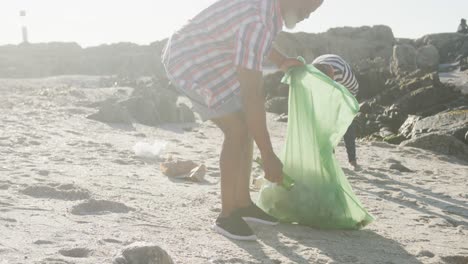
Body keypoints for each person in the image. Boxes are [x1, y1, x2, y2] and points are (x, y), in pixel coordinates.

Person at [162, 0, 324, 241]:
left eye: (312, 12)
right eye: (305, 10)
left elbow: (259, 42)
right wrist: (268, 155)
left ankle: (242, 203)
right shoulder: (256, 20)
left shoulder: (269, 12)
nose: (307, 16)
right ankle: (227, 215)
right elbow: (251, 96)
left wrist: (280, 61)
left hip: (212, 53)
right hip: (188, 59)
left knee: (245, 126)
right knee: (237, 129)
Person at [312, 54, 360, 170]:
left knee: (348, 122)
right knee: (325, 122)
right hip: (320, 70)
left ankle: (352, 161)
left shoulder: (342, 74)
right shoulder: (313, 74)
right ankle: (330, 157)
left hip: (348, 90)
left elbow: (354, 91)